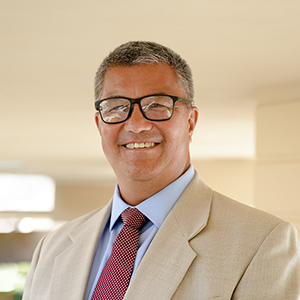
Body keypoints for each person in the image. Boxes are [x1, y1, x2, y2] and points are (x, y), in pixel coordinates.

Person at [22, 41, 300, 300]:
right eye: (118, 107)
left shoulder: (263, 241)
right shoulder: (52, 248)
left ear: (190, 122)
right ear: (99, 125)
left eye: (157, 105)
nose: (136, 125)